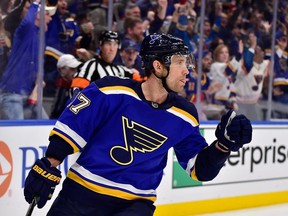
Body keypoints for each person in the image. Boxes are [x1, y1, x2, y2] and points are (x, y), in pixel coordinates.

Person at [23, 33, 252, 215]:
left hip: (135, 205)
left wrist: (222, 146)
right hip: (80, 195)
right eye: (180, 62)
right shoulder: (110, 91)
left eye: (187, 63)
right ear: (158, 66)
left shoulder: (185, 114)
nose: (187, 70)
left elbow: (198, 170)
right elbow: (72, 129)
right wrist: (50, 163)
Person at [0, 0, 56, 119]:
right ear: (37, 16)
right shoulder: (24, 32)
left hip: (30, 93)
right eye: (47, 15)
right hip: (13, 93)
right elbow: (28, 23)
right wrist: (35, 3)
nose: (50, 19)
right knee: (17, 135)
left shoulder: (39, 38)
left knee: (45, 128)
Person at [69, 30, 140, 98]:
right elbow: (77, 90)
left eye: (115, 44)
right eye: (108, 44)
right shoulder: (91, 65)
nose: (112, 49)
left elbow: (143, 85)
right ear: (101, 45)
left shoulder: (123, 70)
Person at [50, 54, 83, 119]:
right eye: (71, 69)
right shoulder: (59, 85)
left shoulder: (80, 83)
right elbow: (56, 110)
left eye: (75, 68)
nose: (75, 71)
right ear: (61, 69)